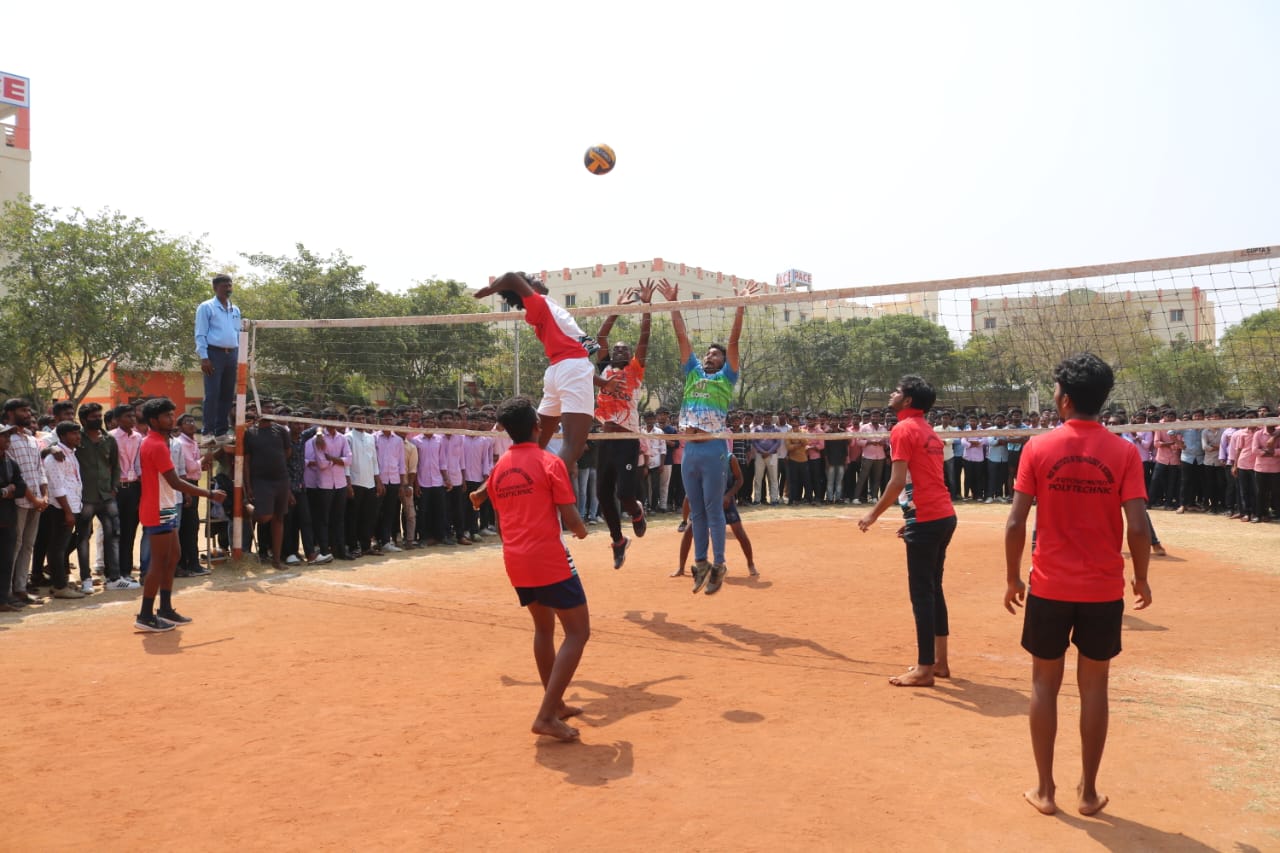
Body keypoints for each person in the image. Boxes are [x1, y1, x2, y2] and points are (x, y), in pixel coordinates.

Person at [1003, 353, 1151, 817]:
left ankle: (1045, 791)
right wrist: (1142, 577)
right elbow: (1139, 526)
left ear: (1065, 399)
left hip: (1049, 585)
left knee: (1044, 684)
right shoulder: (1124, 452)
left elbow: (1015, 522)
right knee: (1095, 688)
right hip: (1102, 589)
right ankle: (1088, 792)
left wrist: (1011, 576)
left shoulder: (1038, 447)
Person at [485, 397, 590, 743]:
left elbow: (501, 521)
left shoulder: (500, 467)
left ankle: (555, 705)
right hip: (548, 557)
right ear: (537, 426)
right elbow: (571, 518)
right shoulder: (549, 462)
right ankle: (545, 716)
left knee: (543, 629)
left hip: (515, 558)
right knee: (578, 632)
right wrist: (582, 531)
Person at [656, 277, 757, 596]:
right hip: (691, 451)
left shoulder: (727, 377)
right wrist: (673, 304)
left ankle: (720, 564)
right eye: (708, 354)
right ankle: (700, 562)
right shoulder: (693, 373)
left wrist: (740, 306)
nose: (709, 357)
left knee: (714, 511)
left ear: (724, 362)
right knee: (695, 512)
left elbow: (734, 342)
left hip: (713, 448)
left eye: (715, 355)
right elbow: (681, 336)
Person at [857, 374, 957, 687]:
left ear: (908, 400)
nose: (892, 394)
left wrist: (872, 514)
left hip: (928, 518)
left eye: (897, 391)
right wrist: (912, 517)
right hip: (942, 515)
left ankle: (925, 668)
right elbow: (927, 479)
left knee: (922, 594)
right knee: (934, 589)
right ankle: (940, 662)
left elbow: (898, 481)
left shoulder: (903, 429)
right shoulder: (929, 431)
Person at [472, 272, 616, 481]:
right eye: (532, 278)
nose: (538, 277)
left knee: (535, 444)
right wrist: (491, 289)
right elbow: (511, 277)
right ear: (528, 288)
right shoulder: (538, 304)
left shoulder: (547, 307)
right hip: (570, 369)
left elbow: (574, 362)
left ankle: (496, 483)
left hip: (558, 371)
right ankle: (543, 488)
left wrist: (603, 383)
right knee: (573, 447)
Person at [135, 398, 227, 632]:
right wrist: (209, 493)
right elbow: (175, 481)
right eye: (166, 416)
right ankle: (145, 615)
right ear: (154, 420)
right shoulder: (155, 444)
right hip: (158, 508)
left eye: (171, 414)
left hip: (165, 505)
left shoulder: (160, 442)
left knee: (173, 556)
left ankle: (165, 608)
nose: (171, 419)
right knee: (159, 562)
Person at [671, 455, 759, 582]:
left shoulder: (730, 459)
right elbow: (691, 490)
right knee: (689, 530)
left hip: (725, 500)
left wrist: (729, 495)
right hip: (705, 499)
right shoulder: (701, 459)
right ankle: (681, 567)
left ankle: (751, 564)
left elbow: (739, 480)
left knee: (739, 532)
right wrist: (685, 519)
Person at [195, 274, 242, 448]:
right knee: (212, 394)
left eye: (230, 285)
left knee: (227, 395)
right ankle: (207, 433)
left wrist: (240, 356)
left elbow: (237, 332)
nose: (228, 289)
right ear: (215, 288)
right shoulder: (206, 307)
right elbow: (200, 333)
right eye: (224, 286)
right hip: (214, 354)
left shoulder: (235, 309)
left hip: (232, 354)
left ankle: (221, 432)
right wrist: (204, 357)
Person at [242, 408, 292, 571]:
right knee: (264, 517)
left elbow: (287, 452)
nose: (269, 412)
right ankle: (246, 506)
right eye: (266, 409)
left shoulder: (281, 430)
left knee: (279, 518)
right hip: (261, 480)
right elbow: (246, 461)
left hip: (281, 479)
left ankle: (276, 560)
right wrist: (248, 485)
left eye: (271, 409)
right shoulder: (250, 433)